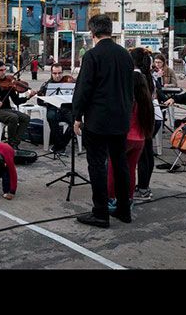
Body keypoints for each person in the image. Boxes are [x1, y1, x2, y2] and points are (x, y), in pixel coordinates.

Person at [72, 14, 134, 228]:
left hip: (98, 121)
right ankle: (124, 209)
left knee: (97, 165)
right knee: (120, 164)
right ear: (110, 30)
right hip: (121, 119)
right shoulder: (126, 55)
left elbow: (83, 89)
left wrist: (77, 116)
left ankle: (100, 213)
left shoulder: (92, 55)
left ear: (92, 33)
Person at [107, 71, 154, 211]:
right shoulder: (146, 100)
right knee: (131, 169)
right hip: (140, 139)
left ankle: (111, 198)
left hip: (124, 138)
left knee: (112, 168)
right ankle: (129, 198)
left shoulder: (128, 100)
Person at [131, 47, 163, 202]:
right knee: (147, 154)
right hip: (154, 117)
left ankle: (143, 190)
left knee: (143, 156)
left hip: (144, 117)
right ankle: (145, 187)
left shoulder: (136, 76)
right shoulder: (148, 75)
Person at [0, 60, 34, 149]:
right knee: (13, 117)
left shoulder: (9, 82)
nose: (4, 72)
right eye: (1, 70)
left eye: (5, 70)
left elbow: (16, 101)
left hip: (7, 110)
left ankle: (14, 143)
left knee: (26, 118)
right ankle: (11, 144)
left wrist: (28, 97)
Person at [36, 63, 74, 153]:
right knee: (51, 117)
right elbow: (39, 102)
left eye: (60, 73)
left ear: (63, 72)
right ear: (51, 73)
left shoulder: (68, 82)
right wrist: (43, 98)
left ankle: (61, 144)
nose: (57, 75)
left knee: (76, 122)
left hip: (66, 109)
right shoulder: (46, 85)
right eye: (55, 73)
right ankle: (60, 145)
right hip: (53, 109)